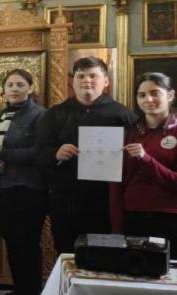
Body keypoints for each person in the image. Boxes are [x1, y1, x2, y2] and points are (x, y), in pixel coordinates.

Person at [36, 57, 136, 254]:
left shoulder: (122, 114)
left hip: (106, 200)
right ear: (73, 81)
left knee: (103, 256)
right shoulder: (55, 114)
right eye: (80, 76)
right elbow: (38, 152)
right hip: (65, 200)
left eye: (93, 76)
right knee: (66, 254)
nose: (86, 80)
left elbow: (136, 155)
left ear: (106, 81)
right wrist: (55, 153)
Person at [0, 70, 47, 295]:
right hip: (4, 188)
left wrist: (4, 154)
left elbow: (40, 153)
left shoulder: (40, 116)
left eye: (20, 84)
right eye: (10, 84)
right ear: (4, 89)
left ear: (30, 88)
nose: (14, 89)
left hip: (29, 189)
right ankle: (20, 294)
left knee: (27, 245)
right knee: (12, 244)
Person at [110, 72, 177, 255]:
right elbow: (116, 183)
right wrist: (117, 228)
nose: (148, 99)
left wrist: (146, 159)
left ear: (170, 95)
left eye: (155, 93)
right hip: (133, 216)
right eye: (142, 95)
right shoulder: (130, 133)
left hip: (170, 217)